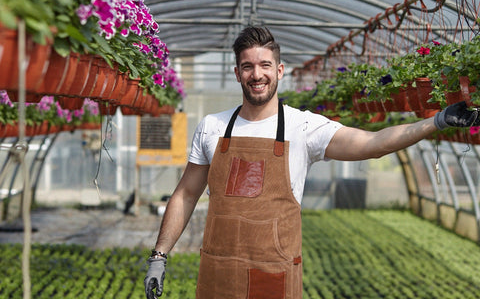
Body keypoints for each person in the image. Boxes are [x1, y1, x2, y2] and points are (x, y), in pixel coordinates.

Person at [144, 26, 479, 299]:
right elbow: (187, 194)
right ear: (237, 73)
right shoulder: (212, 127)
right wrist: (159, 256)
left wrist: (436, 121)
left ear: (279, 70)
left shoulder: (302, 127)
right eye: (247, 66)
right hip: (218, 274)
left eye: (264, 66)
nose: (256, 75)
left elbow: (372, 144)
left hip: (272, 274)